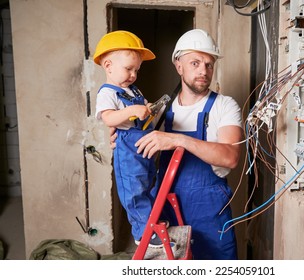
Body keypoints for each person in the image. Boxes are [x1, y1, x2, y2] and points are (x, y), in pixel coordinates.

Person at [134, 29, 243, 259]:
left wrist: (177, 139)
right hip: (166, 208)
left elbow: (230, 156)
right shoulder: (160, 110)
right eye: (195, 63)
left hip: (211, 213)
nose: (203, 71)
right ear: (178, 65)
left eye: (209, 64)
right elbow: (135, 147)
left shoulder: (225, 106)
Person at [93, 30, 163, 248]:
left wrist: (149, 108)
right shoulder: (107, 93)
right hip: (127, 146)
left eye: (137, 70)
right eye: (128, 69)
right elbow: (109, 118)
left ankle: (152, 221)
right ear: (108, 66)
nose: (133, 74)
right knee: (134, 190)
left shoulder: (133, 89)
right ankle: (143, 232)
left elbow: (142, 107)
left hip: (143, 143)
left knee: (149, 181)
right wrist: (132, 110)